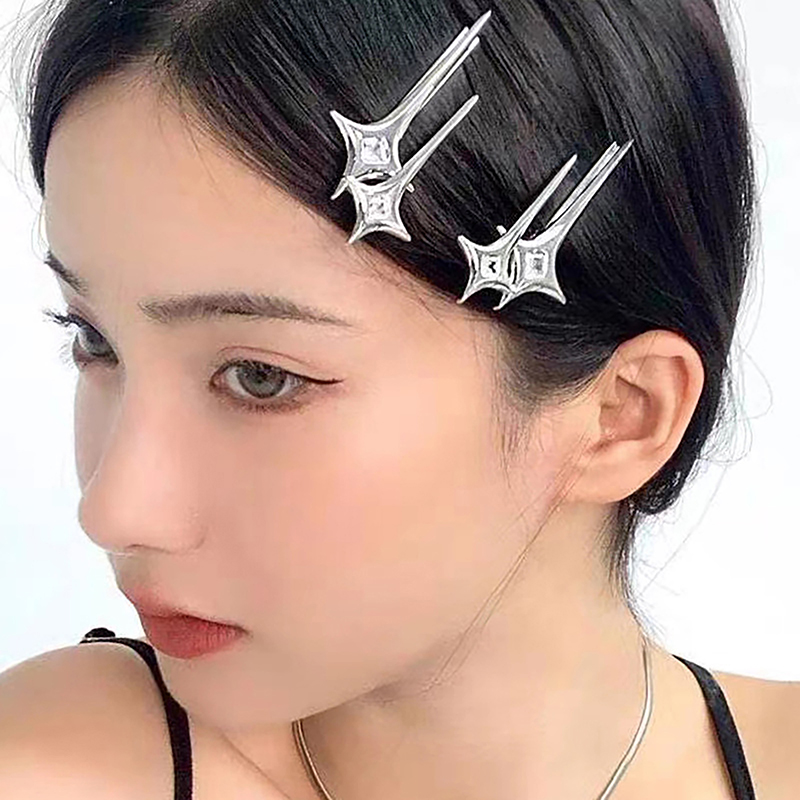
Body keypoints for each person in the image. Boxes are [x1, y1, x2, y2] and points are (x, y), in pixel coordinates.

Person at [0, 0, 797, 798]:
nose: (115, 510)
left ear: (621, 416)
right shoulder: (55, 771)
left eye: (261, 376)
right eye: (94, 340)